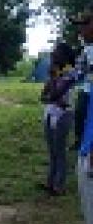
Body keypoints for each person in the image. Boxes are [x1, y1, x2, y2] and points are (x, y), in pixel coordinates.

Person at [56, 9, 93, 224]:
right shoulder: (88, 55)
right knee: (89, 220)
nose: (81, 30)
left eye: (85, 24)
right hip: (85, 144)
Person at [40, 43, 77, 196]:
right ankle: (50, 182)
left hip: (63, 115)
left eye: (56, 52)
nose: (53, 55)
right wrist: (52, 93)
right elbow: (43, 96)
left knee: (59, 151)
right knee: (52, 151)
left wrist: (53, 80)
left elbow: (55, 94)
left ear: (65, 56)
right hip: (50, 113)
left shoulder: (71, 72)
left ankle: (59, 186)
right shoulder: (56, 72)